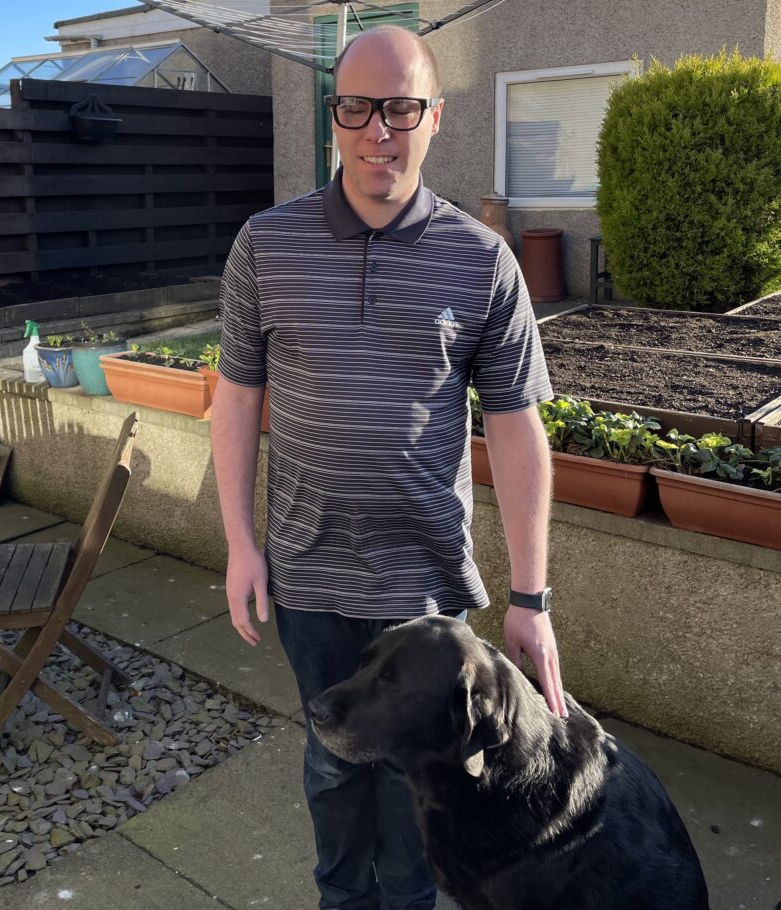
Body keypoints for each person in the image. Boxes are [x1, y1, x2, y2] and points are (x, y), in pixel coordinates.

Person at [210, 25, 567, 910]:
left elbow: (516, 427)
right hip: (309, 577)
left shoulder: (483, 260)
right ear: (333, 116)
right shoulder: (266, 245)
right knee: (332, 766)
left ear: (434, 117)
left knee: (422, 781)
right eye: (357, 108)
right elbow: (238, 401)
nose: (379, 131)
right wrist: (241, 545)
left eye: (401, 108)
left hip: (425, 591)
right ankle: (341, 899)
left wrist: (530, 597)